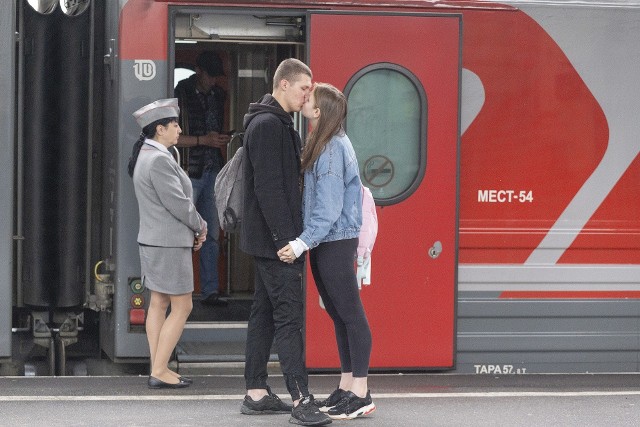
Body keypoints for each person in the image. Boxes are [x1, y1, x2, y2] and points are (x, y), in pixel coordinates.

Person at [239, 59, 331, 426]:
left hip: (266, 241)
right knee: (289, 318)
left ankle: (256, 392)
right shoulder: (267, 126)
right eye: (303, 88)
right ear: (283, 85)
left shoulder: (273, 123)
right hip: (276, 243)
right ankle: (301, 399)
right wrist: (287, 240)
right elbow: (269, 188)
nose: (307, 94)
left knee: (263, 316)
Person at [278, 83, 375, 419]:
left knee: (349, 312)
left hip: (333, 239)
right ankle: (347, 385)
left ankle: (361, 392)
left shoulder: (332, 147)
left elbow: (329, 207)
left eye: (311, 98)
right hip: (327, 239)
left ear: (319, 112)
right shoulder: (325, 142)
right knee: (338, 313)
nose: (306, 98)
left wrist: (303, 241)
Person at [129, 98, 207, 389]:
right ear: (159, 129)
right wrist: (201, 225)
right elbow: (179, 204)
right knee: (183, 305)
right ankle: (159, 370)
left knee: (159, 304)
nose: (179, 129)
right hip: (169, 245)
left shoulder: (147, 155)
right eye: (174, 125)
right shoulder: (160, 159)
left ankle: (157, 367)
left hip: (154, 241)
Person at [174, 51, 230, 307]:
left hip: (213, 171)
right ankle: (180, 291)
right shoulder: (180, 94)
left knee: (212, 234)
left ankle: (210, 291)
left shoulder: (219, 96)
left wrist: (220, 139)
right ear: (199, 71)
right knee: (183, 233)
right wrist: (203, 141)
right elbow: (173, 137)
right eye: (210, 75)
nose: (213, 81)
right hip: (189, 170)